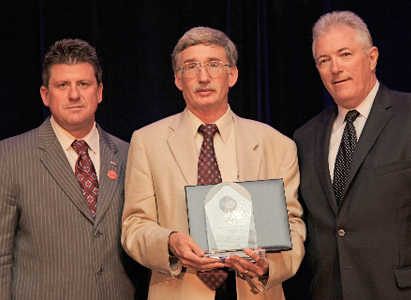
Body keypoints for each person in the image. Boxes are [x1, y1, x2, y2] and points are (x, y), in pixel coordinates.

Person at [293, 11, 411, 299]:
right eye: (324, 60)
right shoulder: (305, 138)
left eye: (345, 54)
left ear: (371, 57)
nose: (335, 68)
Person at [121, 27, 306, 299]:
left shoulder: (276, 145)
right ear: (177, 79)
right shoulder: (148, 142)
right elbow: (134, 225)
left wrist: (269, 267)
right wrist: (170, 243)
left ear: (232, 75)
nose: (203, 77)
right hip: (181, 288)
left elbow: (292, 225)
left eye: (214, 65)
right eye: (191, 67)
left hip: (253, 289)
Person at [0, 39, 135, 299]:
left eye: (83, 84)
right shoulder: (6, 159)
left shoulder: (129, 154)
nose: (74, 94)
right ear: (46, 95)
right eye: (62, 85)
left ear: (99, 92)